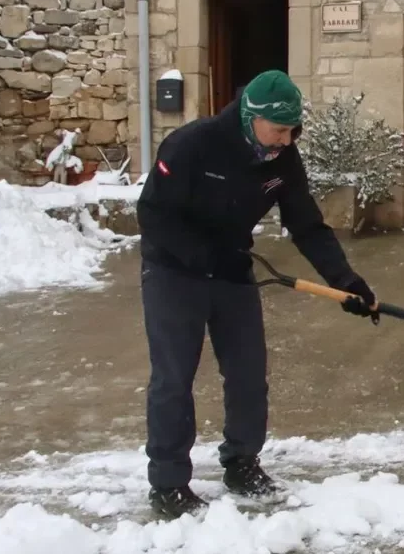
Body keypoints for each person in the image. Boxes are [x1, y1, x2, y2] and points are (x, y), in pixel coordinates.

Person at [136, 69, 380, 518]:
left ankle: (242, 462)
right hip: (174, 270)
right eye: (281, 130)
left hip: (231, 269)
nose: (288, 141)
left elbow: (307, 225)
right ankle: (169, 483)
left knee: (249, 373)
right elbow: (153, 214)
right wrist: (199, 257)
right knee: (173, 378)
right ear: (253, 117)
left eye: (294, 131)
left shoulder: (282, 160)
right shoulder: (192, 145)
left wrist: (346, 281)